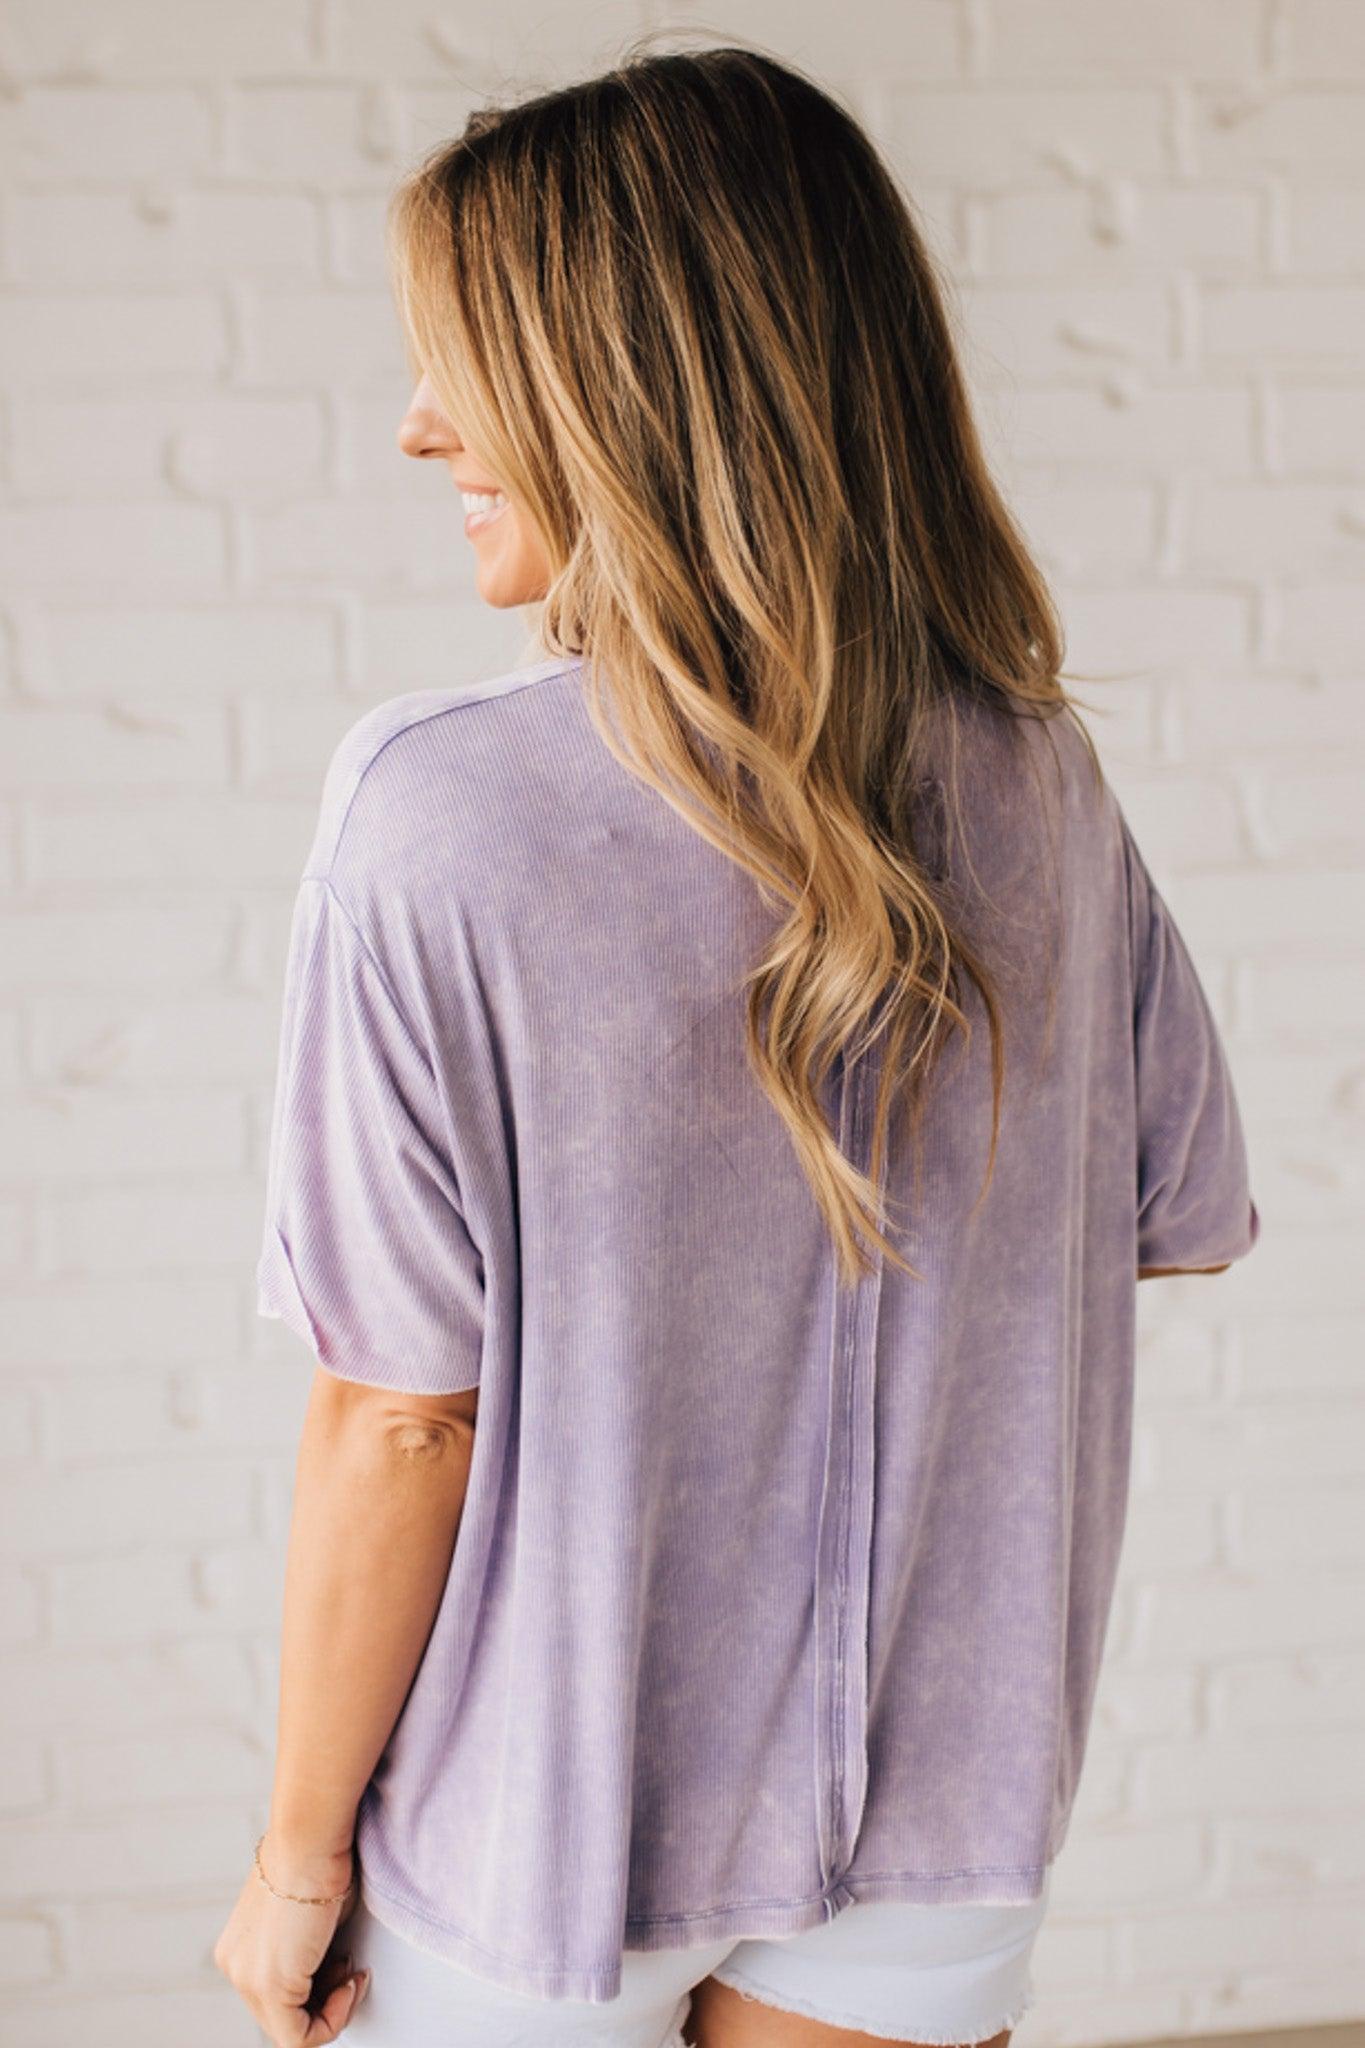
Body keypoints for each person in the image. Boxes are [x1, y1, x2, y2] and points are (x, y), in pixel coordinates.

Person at [212, 39, 1261, 2048]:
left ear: (637, 395)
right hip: (935, 1793)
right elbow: (1166, 1214)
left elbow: (398, 1413)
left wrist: (292, 1860)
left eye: (466, 366)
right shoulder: (1038, 779)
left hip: (543, 1843)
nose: (419, 429)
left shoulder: (440, 809)